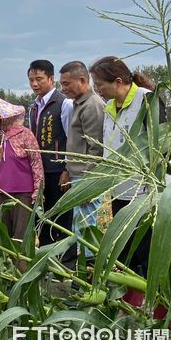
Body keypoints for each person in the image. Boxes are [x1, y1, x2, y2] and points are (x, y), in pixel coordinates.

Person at [89, 56, 163, 311]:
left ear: (118, 81)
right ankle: (132, 302)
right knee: (125, 247)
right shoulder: (111, 107)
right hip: (120, 191)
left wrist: (152, 179)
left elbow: (162, 145)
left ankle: (159, 303)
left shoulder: (147, 100)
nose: (97, 89)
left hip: (145, 192)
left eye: (99, 84)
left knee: (147, 248)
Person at [0, 96, 43, 245]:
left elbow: (36, 163)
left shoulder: (24, 134)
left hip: (23, 193)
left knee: (21, 237)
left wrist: (38, 189)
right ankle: (8, 267)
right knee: (3, 237)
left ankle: (24, 267)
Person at [27, 60, 76, 268]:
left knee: (63, 217)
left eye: (39, 79)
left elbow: (71, 137)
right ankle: (47, 260)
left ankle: (67, 263)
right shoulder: (33, 107)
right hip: (41, 172)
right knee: (45, 217)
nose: (34, 84)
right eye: (31, 80)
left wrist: (67, 168)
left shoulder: (64, 103)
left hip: (59, 171)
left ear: (50, 79)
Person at [58, 61, 105, 259]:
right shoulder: (79, 104)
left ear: (82, 80)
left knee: (86, 228)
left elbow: (97, 149)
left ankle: (88, 272)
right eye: (62, 84)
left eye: (67, 84)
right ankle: (83, 272)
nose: (63, 89)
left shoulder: (92, 106)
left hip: (87, 178)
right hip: (77, 175)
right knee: (79, 227)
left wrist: (90, 185)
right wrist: (67, 169)